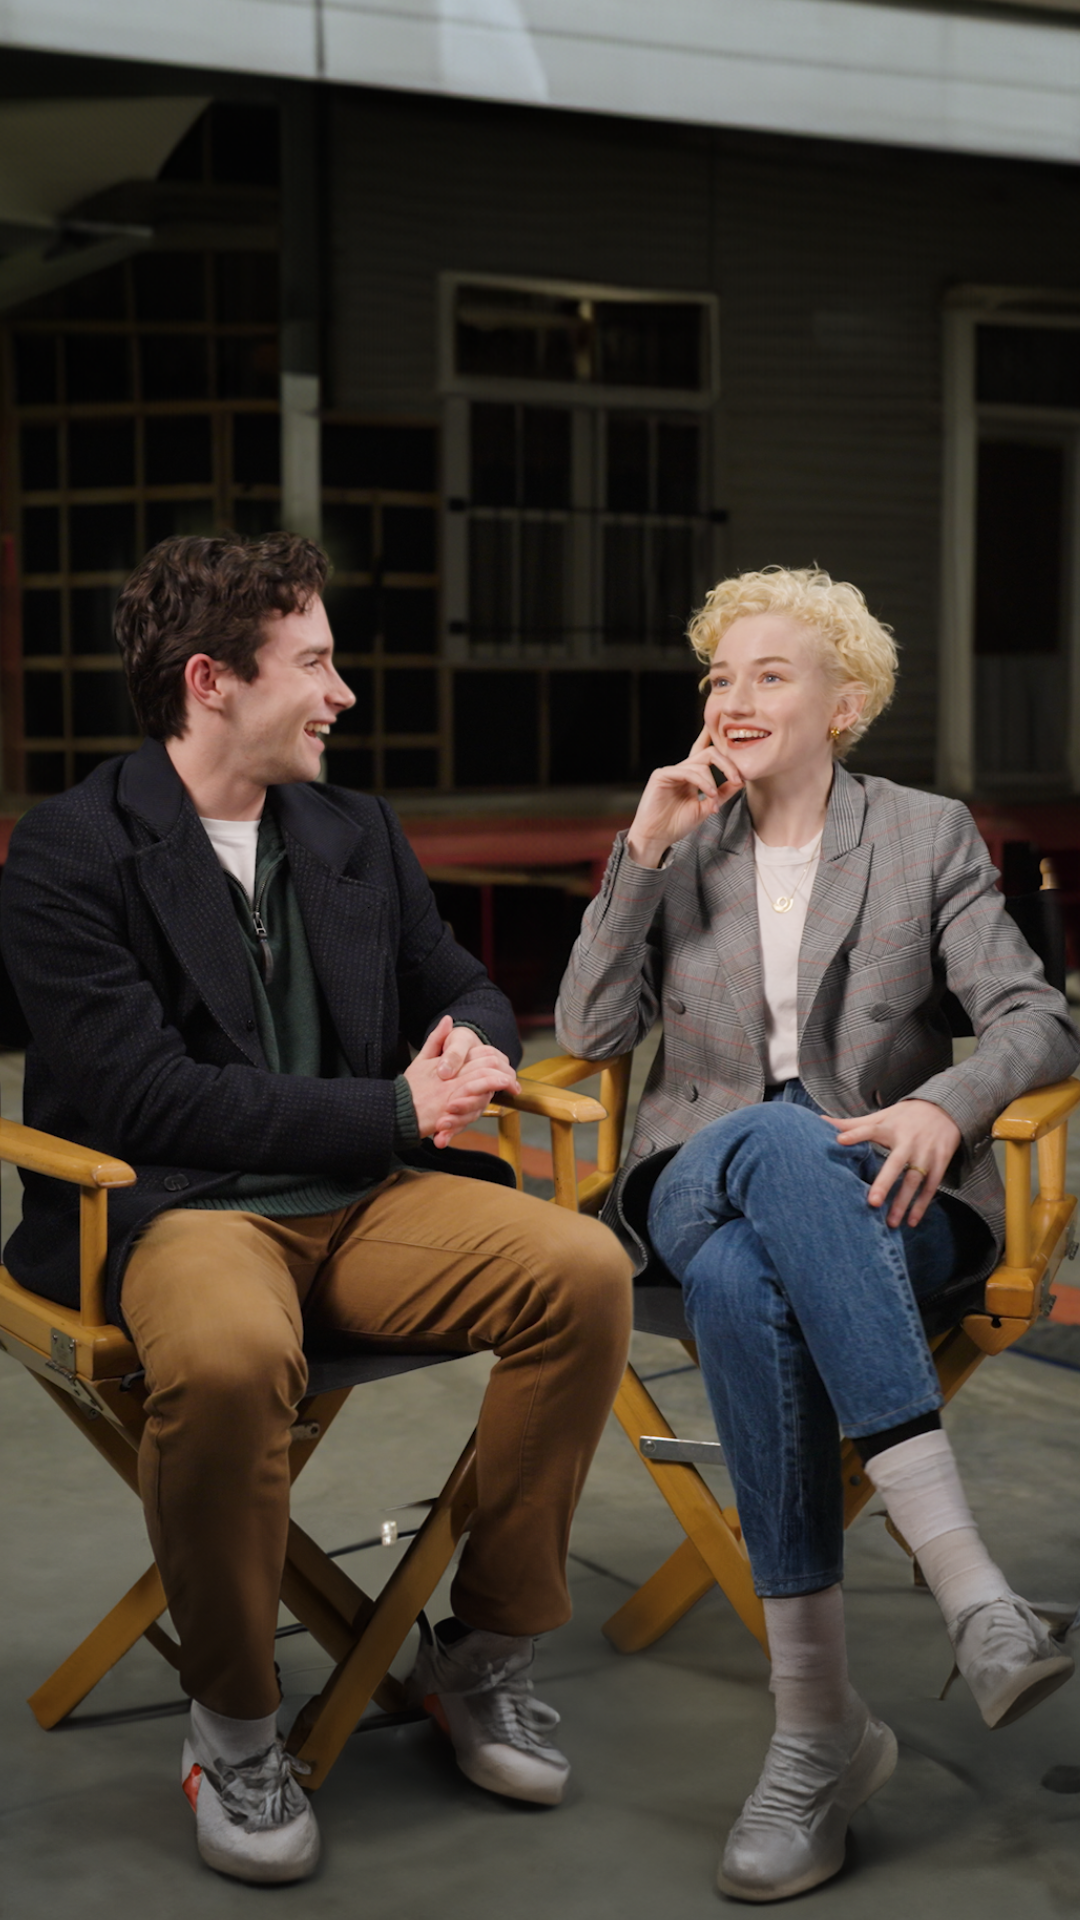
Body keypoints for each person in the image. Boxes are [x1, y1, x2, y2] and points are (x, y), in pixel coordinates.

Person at [2, 532, 632, 1886]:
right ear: (211, 680)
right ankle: (235, 1728)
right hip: (180, 1211)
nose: (342, 694)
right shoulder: (68, 850)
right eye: (316, 663)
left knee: (582, 1269)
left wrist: (467, 1049)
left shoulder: (353, 828)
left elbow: (460, 984)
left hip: (362, 1203)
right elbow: (146, 1099)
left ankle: (481, 1652)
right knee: (232, 1360)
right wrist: (396, 1110)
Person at [556, 565, 1080, 1905]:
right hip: (688, 1184)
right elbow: (588, 1031)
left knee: (750, 1279)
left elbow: (1036, 1018)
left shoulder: (922, 833)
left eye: (769, 674)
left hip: (885, 1199)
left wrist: (942, 1105)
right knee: (777, 1146)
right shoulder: (682, 843)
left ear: (844, 704)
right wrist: (643, 848)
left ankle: (816, 1737)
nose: (732, 698)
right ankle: (969, 1585)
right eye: (718, 677)